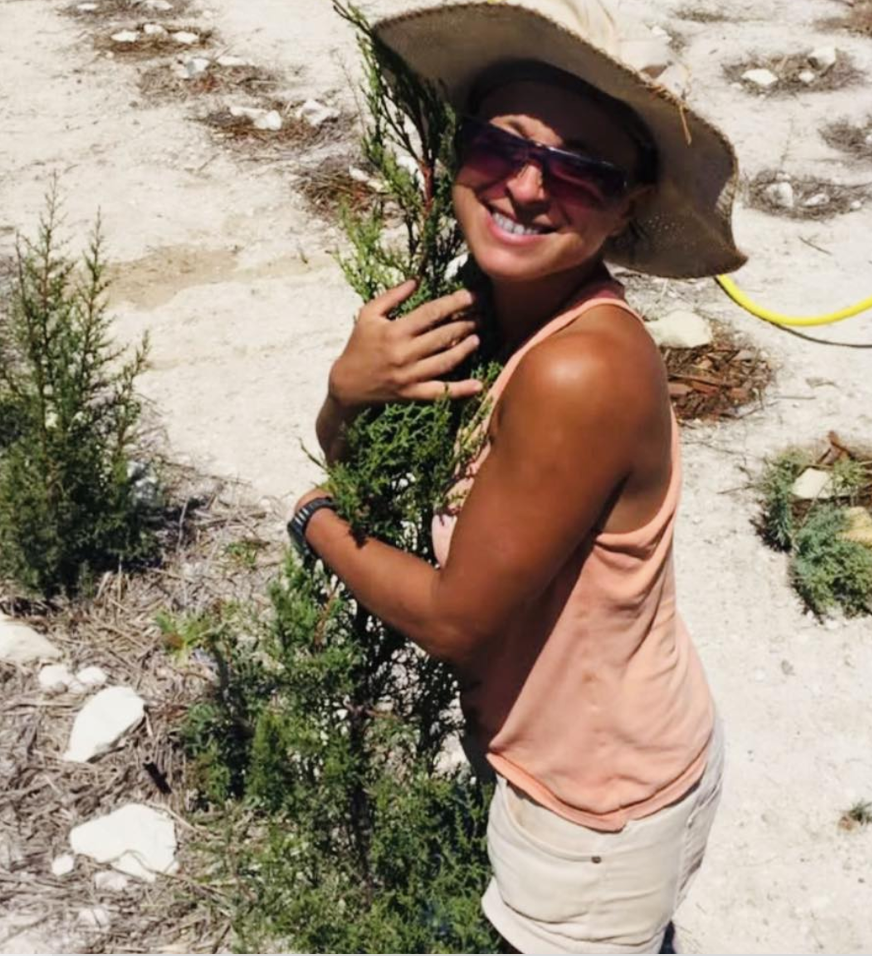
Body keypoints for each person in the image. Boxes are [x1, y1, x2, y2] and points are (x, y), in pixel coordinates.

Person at [292, 0, 746, 951]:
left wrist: (312, 521)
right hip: (559, 759)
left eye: (581, 168)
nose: (529, 186)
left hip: (599, 807)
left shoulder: (582, 368)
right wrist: (347, 392)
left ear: (627, 206)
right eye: (501, 146)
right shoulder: (486, 308)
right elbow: (379, 469)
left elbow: (456, 618)